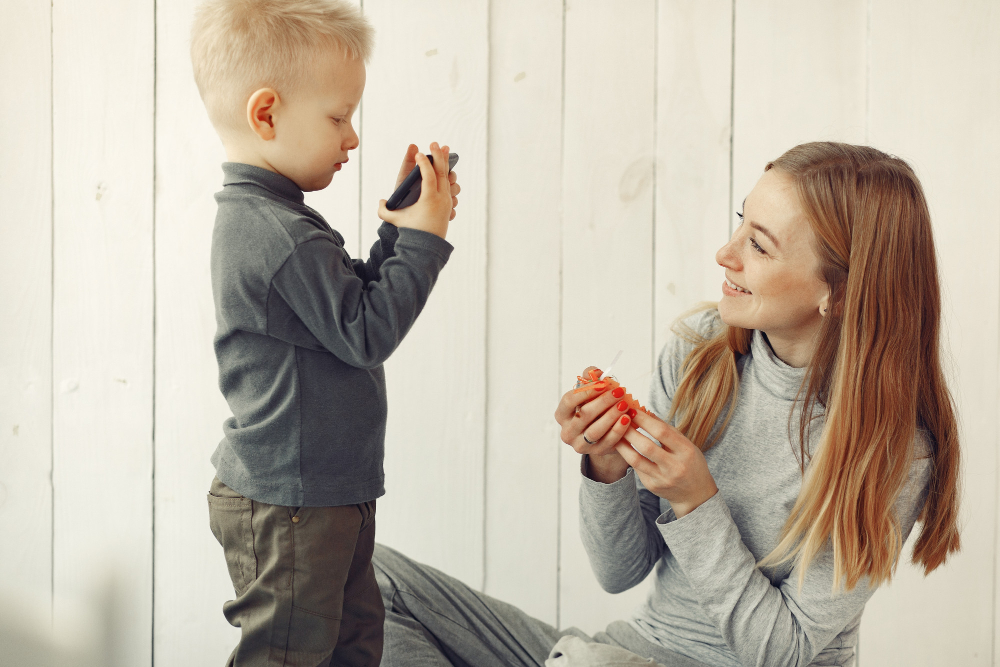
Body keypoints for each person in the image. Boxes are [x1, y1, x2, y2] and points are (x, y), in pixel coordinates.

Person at [371, 142, 961, 667]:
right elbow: (618, 572)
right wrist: (606, 467)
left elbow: (785, 651)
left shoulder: (893, 448)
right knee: (367, 574)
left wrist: (695, 502)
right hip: (626, 648)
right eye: (740, 224)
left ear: (837, 288)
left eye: (757, 245)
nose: (724, 254)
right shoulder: (703, 353)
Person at [189, 1, 461, 664]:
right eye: (339, 116)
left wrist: (398, 231)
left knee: (353, 640)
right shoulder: (277, 235)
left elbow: (348, 309)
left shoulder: (282, 221)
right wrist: (423, 241)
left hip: (323, 492)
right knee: (288, 654)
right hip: (290, 504)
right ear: (266, 113)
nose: (352, 137)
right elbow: (366, 331)